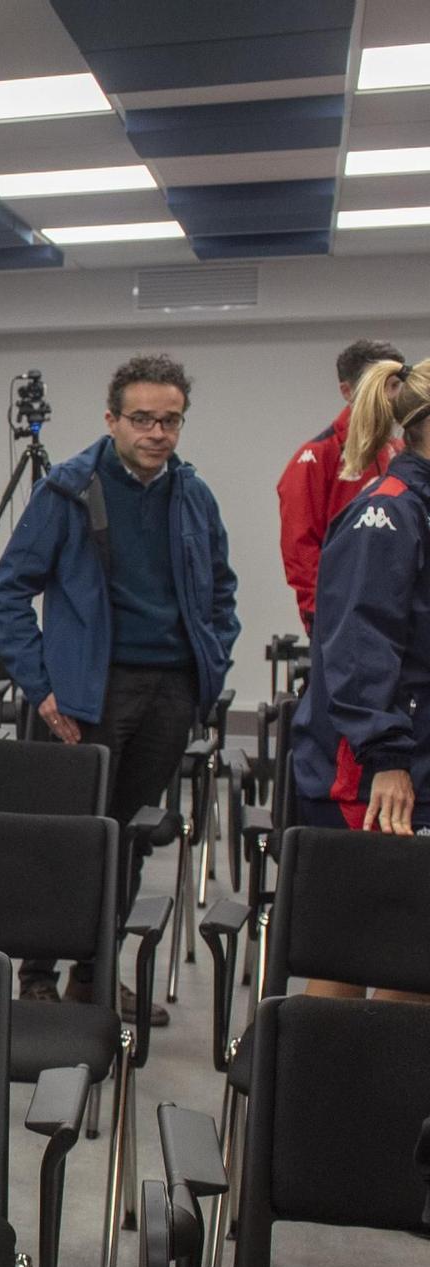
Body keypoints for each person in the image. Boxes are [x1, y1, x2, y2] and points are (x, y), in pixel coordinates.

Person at [0, 354, 240, 1015]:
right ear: (113, 419)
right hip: (89, 694)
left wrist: (213, 653)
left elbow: (222, 589)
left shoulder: (193, 494)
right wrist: (42, 686)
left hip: (169, 691)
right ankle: (38, 972)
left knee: (127, 837)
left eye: (170, 420)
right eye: (143, 419)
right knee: (73, 835)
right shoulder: (69, 488)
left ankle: (96, 976)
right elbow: (9, 592)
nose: (157, 432)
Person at [289, 356, 430, 1003]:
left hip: (413, 753)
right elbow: (356, 646)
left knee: (410, 956)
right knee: (366, 955)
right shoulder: (390, 512)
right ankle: (321, 1098)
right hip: (377, 770)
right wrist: (387, 756)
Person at [277, 338, 406, 631]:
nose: (390, 396)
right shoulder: (317, 457)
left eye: (395, 384)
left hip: (400, 616)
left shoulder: (402, 453)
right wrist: (325, 615)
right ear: (347, 392)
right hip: (343, 621)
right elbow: (300, 550)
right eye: (379, 386)